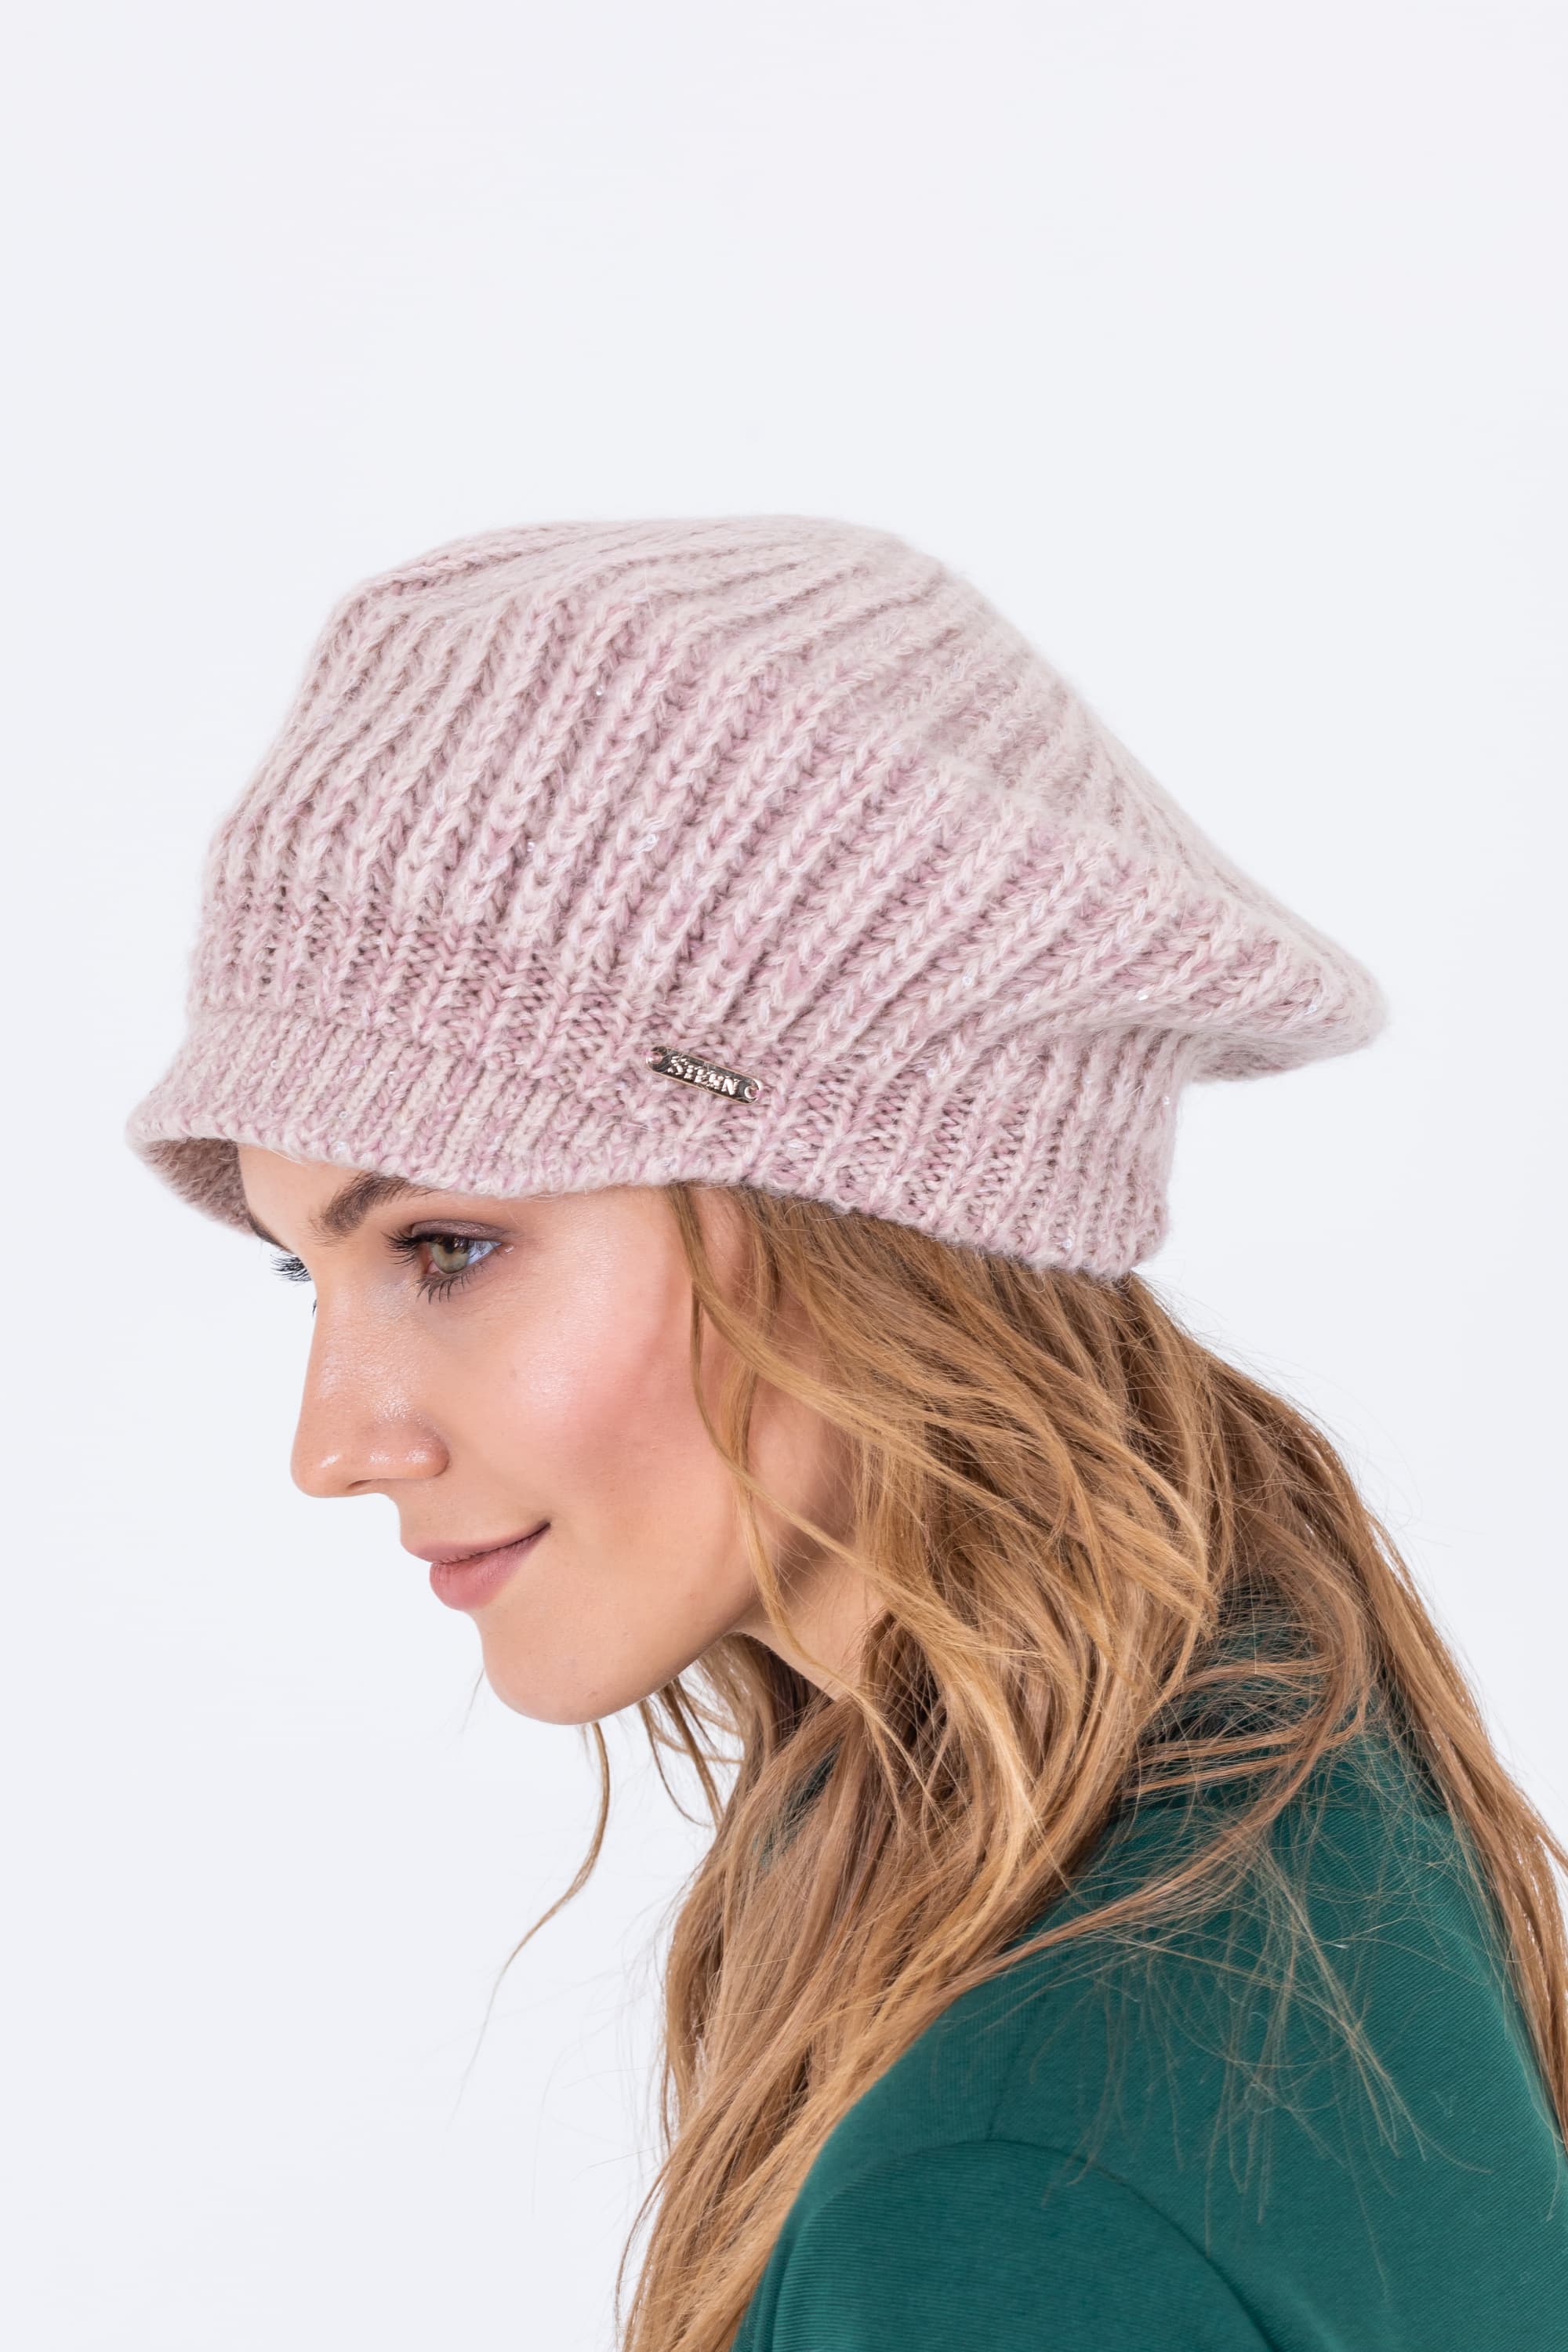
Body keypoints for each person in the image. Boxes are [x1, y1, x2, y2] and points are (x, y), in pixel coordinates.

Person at [124, 517, 1568, 2351]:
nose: (331, 1445)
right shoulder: (1266, 1734)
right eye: (301, 1272)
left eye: (447, 1248)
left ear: (845, 1209)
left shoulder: (1009, 2189)